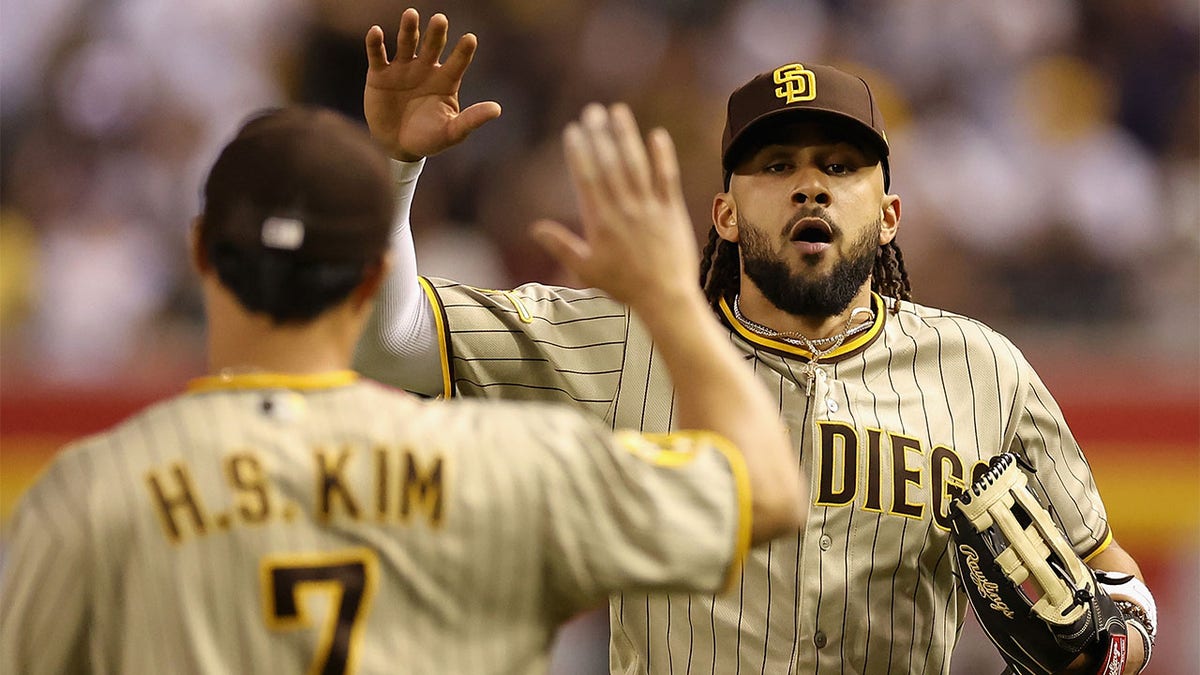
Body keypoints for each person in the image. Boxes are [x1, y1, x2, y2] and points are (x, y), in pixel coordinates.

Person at [353, 10, 1158, 675]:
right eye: (775, 165)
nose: (810, 183)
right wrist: (395, 166)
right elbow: (391, 342)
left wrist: (1111, 645)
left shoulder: (984, 371)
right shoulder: (634, 335)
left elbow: (1117, 577)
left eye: (840, 165)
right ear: (726, 215)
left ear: (888, 215)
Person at [0, 46, 811, 674]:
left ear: (201, 253)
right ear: (370, 275)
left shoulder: (90, 492)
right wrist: (668, 293)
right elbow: (770, 491)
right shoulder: (516, 462)